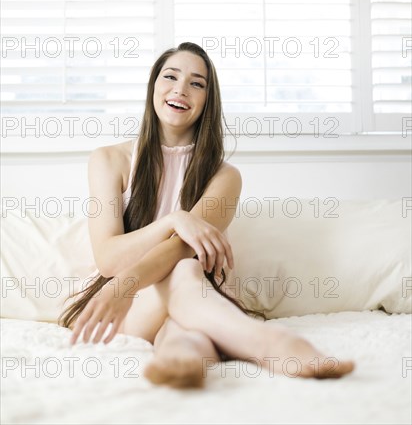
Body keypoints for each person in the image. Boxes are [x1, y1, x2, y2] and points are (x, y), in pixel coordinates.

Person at [58, 42, 355, 388]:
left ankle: (183, 360)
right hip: (125, 300)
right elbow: (109, 260)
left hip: (196, 294)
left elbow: (183, 249)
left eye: (196, 83)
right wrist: (173, 220)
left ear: (207, 101)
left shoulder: (224, 176)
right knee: (183, 275)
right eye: (170, 76)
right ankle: (273, 344)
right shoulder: (108, 160)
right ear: (154, 85)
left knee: (185, 292)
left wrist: (175, 232)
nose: (180, 89)